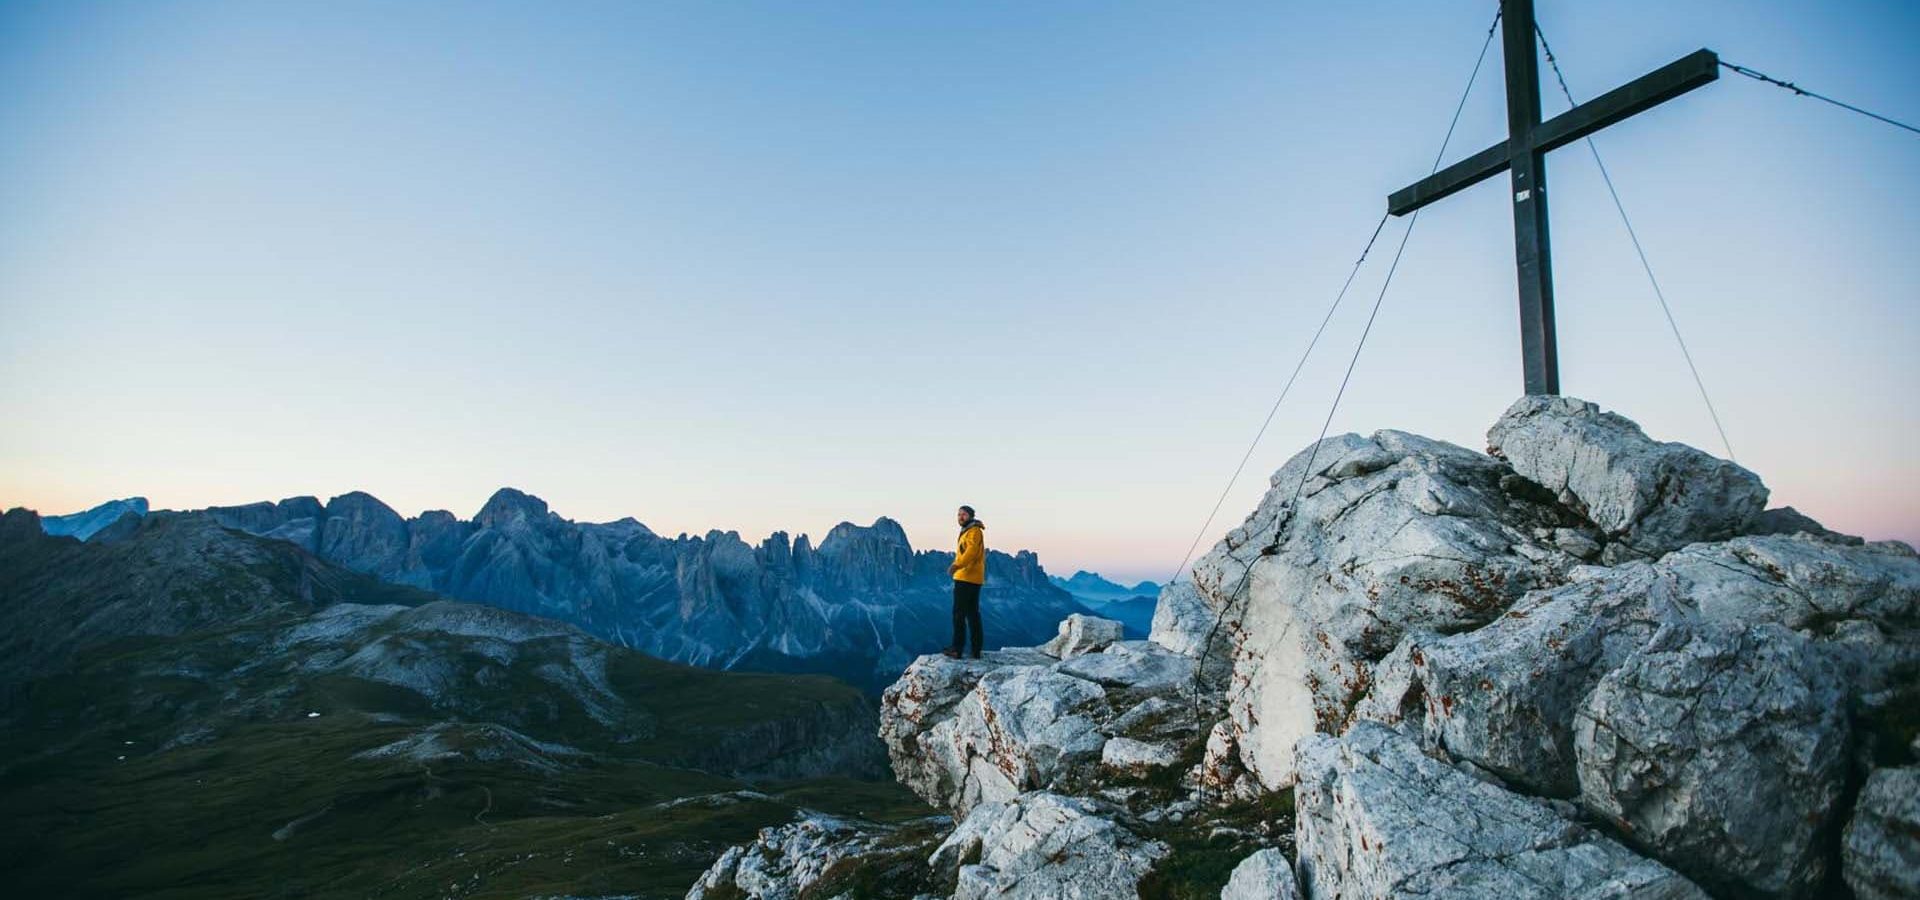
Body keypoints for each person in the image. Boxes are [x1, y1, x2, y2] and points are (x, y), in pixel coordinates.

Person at [943, 505, 986, 659]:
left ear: (971, 516)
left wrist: (956, 565)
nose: (960, 517)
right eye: (959, 514)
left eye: (964, 514)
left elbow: (971, 551)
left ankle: (957, 648)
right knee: (972, 613)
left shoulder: (974, 531)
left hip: (966, 577)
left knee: (959, 614)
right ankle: (976, 650)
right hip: (972, 577)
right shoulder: (969, 530)